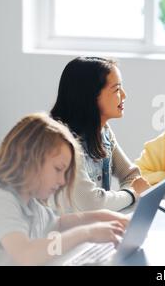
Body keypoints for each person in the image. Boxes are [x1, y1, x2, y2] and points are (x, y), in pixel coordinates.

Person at [0, 113, 129, 265]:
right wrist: (88, 233)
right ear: (30, 159)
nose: (62, 181)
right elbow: (26, 255)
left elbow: (59, 225)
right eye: (58, 169)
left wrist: (108, 217)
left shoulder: (30, 203)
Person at [51, 57, 150, 212]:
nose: (124, 95)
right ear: (91, 96)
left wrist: (121, 198)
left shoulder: (103, 131)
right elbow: (92, 203)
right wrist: (131, 194)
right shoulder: (62, 144)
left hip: (92, 228)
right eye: (117, 89)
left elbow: (132, 175)